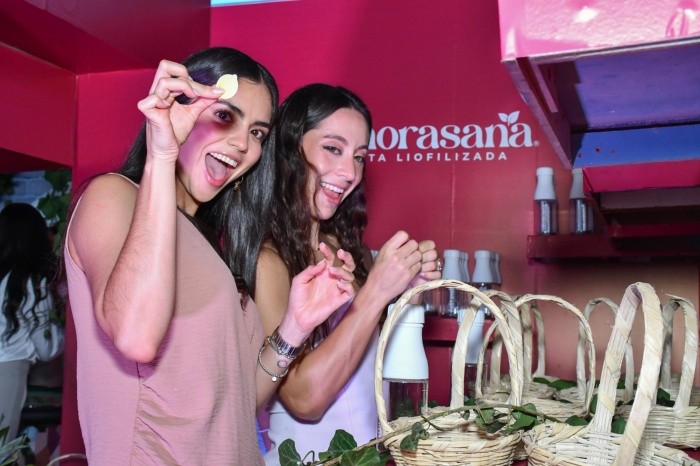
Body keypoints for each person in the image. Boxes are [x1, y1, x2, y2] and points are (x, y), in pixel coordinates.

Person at [64, 48, 355, 465]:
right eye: (225, 116)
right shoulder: (113, 196)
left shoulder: (213, 245)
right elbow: (136, 335)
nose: (242, 144)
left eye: (258, 132)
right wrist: (161, 155)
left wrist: (295, 326)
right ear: (179, 108)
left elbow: (237, 403)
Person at [247, 84, 441, 464]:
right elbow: (303, 399)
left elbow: (362, 367)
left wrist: (403, 293)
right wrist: (375, 293)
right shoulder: (267, 262)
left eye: (359, 156)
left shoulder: (346, 248)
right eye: (333, 149)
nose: (350, 172)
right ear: (290, 149)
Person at [0, 203, 64, 444]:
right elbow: (46, 347)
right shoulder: (30, 281)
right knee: (2, 447)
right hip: (8, 368)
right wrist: (68, 335)